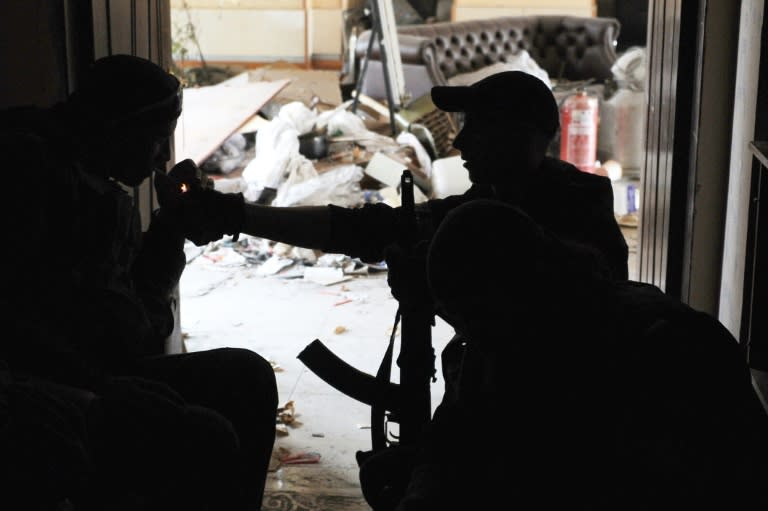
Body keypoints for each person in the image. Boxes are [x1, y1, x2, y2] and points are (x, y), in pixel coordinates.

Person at [170, 69, 628, 509]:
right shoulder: (496, 196)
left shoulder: (569, 215)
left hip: (547, 438)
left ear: (520, 135)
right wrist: (241, 217)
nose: (460, 141)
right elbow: (366, 229)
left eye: (477, 127)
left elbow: (533, 347)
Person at [0, 54, 277, 510]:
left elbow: (135, 321)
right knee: (208, 437)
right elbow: (16, 321)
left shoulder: (94, 184)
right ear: (116, 128)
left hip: (96, 368)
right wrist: (99, 390)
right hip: (49, 384)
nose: (164, 157)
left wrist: (171, 228)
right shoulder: (30, 176)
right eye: (155, 139)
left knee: (248, 376)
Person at [395, 198, 768, 510]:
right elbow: (459, 428)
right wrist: (423, 485)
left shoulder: (666, 351)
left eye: (472, 320)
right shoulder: (513, 332)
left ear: (508, 296)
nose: (472, 335)